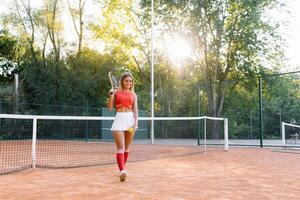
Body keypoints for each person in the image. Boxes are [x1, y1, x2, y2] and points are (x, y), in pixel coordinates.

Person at [107, 72, 138, 182]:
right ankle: (122, 171)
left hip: (130, 120)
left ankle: (122, 169)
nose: (128, 83)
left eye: (130, 81)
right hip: (119, 119)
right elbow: (110, 108)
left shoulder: (134, 95)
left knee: (127, 147)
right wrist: (111, 96)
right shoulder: (116, 92)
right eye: (126, 81)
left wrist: (135, 123)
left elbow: (135, 110)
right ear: (122, 81)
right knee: (121, 147)